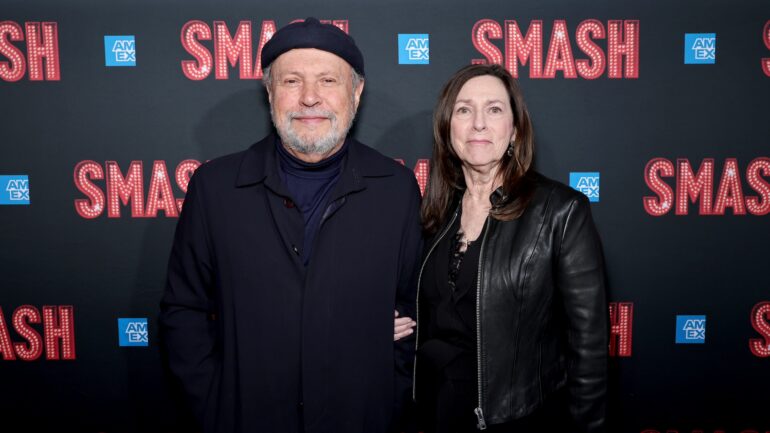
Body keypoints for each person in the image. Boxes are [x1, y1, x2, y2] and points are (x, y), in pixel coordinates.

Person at [160, 18, 421, 433]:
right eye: (292, 81)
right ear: (269, 92)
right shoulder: (215, 188)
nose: (310, 98)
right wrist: (215, 408)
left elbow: (413, 312)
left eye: (328, 81)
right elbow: (183, 311)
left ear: (356, 92)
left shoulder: (396, 188)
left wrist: (388, 404)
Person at [414, 64, 608, 433]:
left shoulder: (560, 211)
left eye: (495, 109)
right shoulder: (436, 210)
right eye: (464, 110)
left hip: (515, 419)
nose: (479, 124)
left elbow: (589, 351)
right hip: (434, 413)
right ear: (447, 127)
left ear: (515, 129)